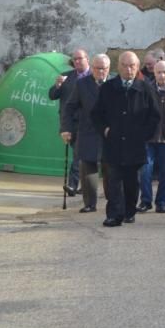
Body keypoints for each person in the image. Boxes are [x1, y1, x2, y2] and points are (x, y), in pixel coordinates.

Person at [91, 52, 161, 228]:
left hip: (134, 145)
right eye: (125, 65)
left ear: (137, 67)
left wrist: (143, 135)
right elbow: (96, 114)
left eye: (132, 66)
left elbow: (155, 116)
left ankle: (129, 211)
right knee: (113, 180)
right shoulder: (108, 88)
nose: (128, 69)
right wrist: (105, 130)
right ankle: (114, 215)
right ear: (118, 66)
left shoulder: (145, 88)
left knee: (131, 182)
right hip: (113, 143)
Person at [62, 53, 110, 214]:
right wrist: (66, 128)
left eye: (103, 69)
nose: (100, 72)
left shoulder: (114, 84)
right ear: (92, 68)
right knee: (87, 168)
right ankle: (90, 203)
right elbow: (69, 107)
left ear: (108, 69)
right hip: (87, 132)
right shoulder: (82, 84)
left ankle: (113, 200)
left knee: (110, 168)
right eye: (97, 69)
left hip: (110, 134)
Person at [138, 60, 165, 214]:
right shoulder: (146, 89)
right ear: (154, 73)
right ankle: (145, 201)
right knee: (145, 170)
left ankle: (161, 202)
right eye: (159, 72)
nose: (162, 75)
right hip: (149, 137)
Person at [49, 47, 89, 196]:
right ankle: (81, 185)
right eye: (75, 59)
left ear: (87, 59)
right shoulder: (66, 76)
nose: (77, 61)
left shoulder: (93, 76)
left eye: (80, 58)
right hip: (70, 123)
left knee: (79, 154)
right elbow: (52, 95)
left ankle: (73, 185)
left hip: (87, 123)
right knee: (79, 154)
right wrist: (58, 85)